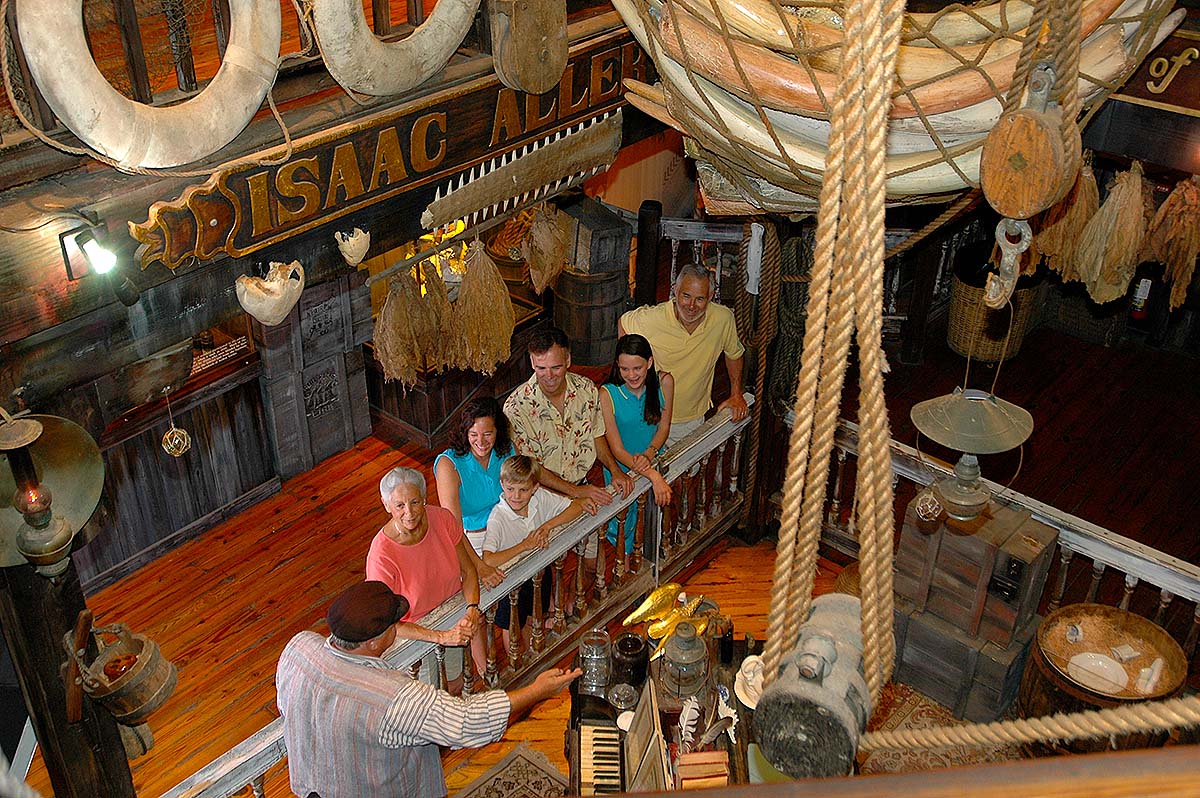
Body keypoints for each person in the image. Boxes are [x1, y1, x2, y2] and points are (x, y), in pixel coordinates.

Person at [277, 580, 580, 798]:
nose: (397, 628)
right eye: (394, 625)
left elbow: (288, 707)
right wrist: (537, 691)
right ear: (373, 642)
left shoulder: (298, 649)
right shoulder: (394, 698)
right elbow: (467, 722)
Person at [503, 326, 633, 579]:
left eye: (556, 367)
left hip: (581, 487)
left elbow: (597, 436)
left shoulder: (586, 390)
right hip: (541, 499)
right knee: (545, 572)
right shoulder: (516, 407)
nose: (548, 375)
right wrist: (576, 492)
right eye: (541, 368)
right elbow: (531, 469)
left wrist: (615, 470)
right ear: (531, 362)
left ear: (569, 360)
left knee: (593, 562)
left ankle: (579, 606)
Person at [366, 466, 487, 683]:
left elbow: (468, 571)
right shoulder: (381, 555)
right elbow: (385, 622)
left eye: (414, 502)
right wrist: (441, 637)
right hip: (413, 636)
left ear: (424, 498)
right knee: (430, 695)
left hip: (451, 616)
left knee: (456, 680)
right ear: (386, 506)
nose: (409, 513)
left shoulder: (442, 519)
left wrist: (472, 609)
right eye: (399, 506)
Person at [618, 263, 748, 445]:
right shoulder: (652, 318)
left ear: (710, 297)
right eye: (686, 296)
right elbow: (624, 323)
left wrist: (736, 393)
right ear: (675, 290)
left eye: (700, 299)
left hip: (690, 417)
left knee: (686, 471)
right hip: (649, 413)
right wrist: (633, 378)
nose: (691, 306)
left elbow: (734, 354)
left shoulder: (723, 319)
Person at [482, 456, 587, 653]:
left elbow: (576, 506)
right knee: (512, 626)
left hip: (538, 572)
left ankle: (533, 653)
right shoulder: (498, 517)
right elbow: (488, 559)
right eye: (511, 488)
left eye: (523, 490)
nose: (516, 496)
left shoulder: (540, 498)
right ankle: (517, 660)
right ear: (502, 484)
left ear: (535, 487)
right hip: (510, 584)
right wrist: (524, 545)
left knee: (534, 617)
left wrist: (547, 526)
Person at [599, 334, 674, 553]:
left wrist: (649, 456)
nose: (631, 375)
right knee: (623, 527)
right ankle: (625, 567)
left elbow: (664, 427)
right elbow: (617, 449)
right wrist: (651, 474)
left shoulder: (665, 382)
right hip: (623, 469)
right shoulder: (607, 394)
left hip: (651, 458)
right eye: (624, 369)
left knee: (654, 520)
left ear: (649, 363)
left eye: (637, 368)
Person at [434, 397, 513, 558]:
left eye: (488, 434)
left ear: (498, 431)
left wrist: (572, 490)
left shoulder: (506, 449)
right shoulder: (448, 465)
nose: (481, 441)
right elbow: (454, 528)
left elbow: (531, 475)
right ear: (465, 433)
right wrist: (477, 566)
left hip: (510, 521)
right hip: (475, 538)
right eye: (473, 434)